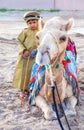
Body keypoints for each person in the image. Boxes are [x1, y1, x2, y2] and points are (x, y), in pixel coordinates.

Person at [13, 11, 43, 99]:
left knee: (32, 73)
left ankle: (31, 89)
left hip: (35, 56)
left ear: (38, 22)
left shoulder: (41, 32)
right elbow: (19, 41)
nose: (32, 25)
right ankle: (22, 90)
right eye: (30, 23)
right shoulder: (25, 31)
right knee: (23, 73)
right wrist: (24, 50)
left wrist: (37, 50)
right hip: (25, 57)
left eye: (34, 22)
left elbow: (43, 43)